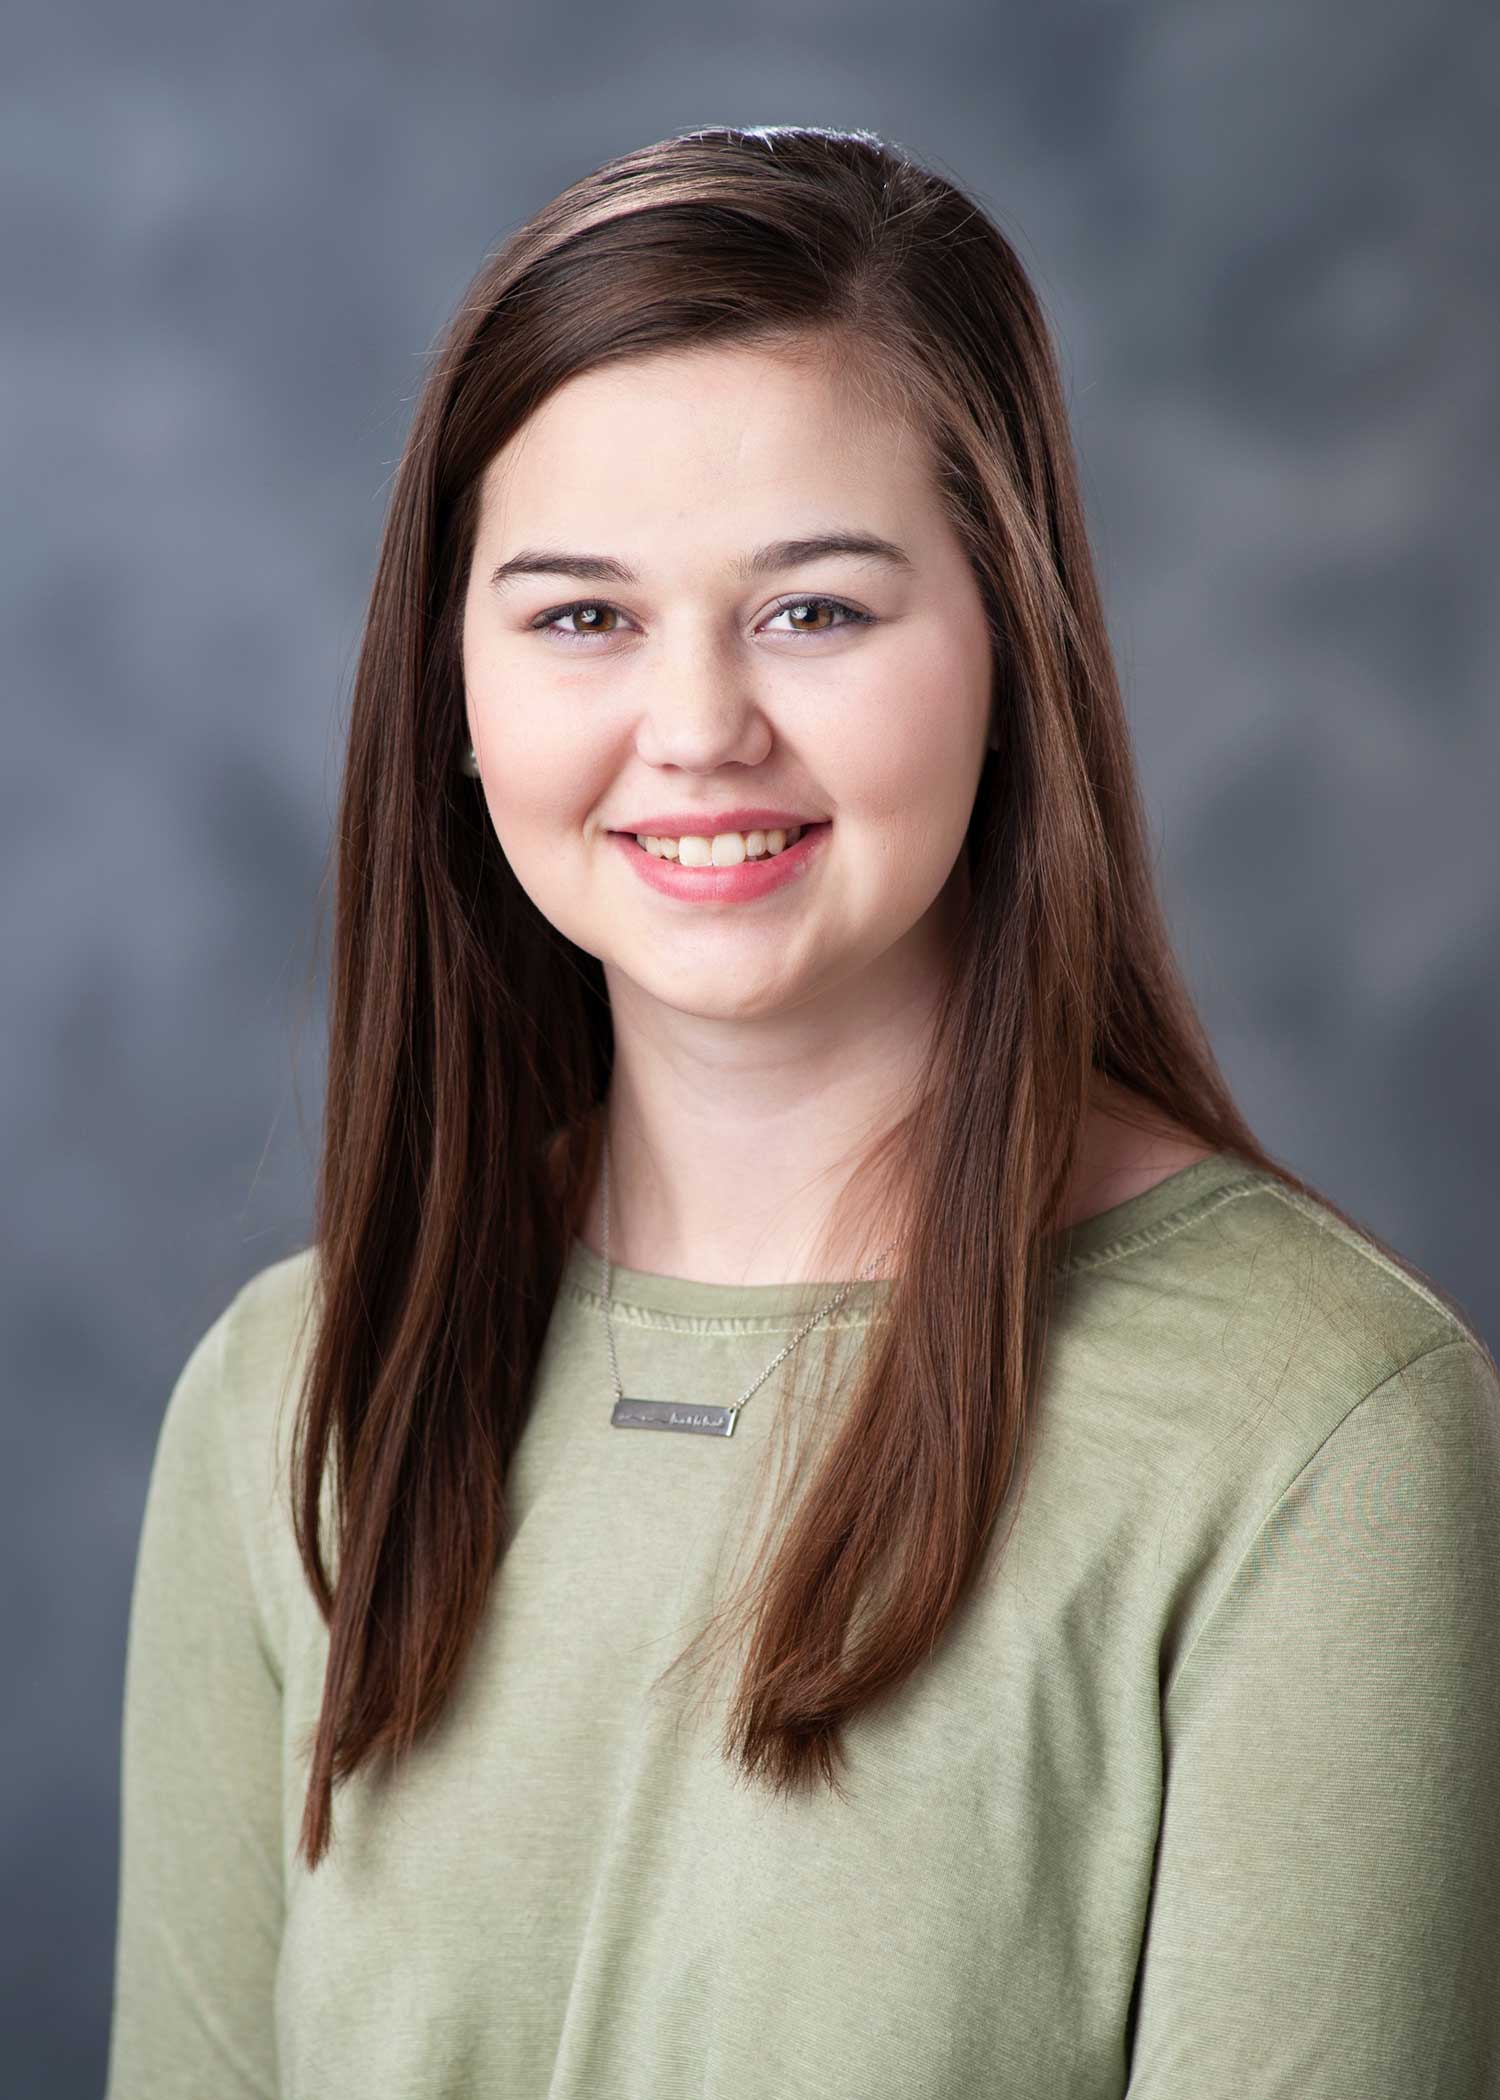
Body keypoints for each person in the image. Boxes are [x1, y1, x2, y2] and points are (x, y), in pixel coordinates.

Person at [104, 126, 1500, 2099]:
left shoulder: (1318, 1429)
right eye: (582, 616)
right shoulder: (289, 1397)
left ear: (1014, 648)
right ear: (454, 686)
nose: (695, 729)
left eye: (815, 612)